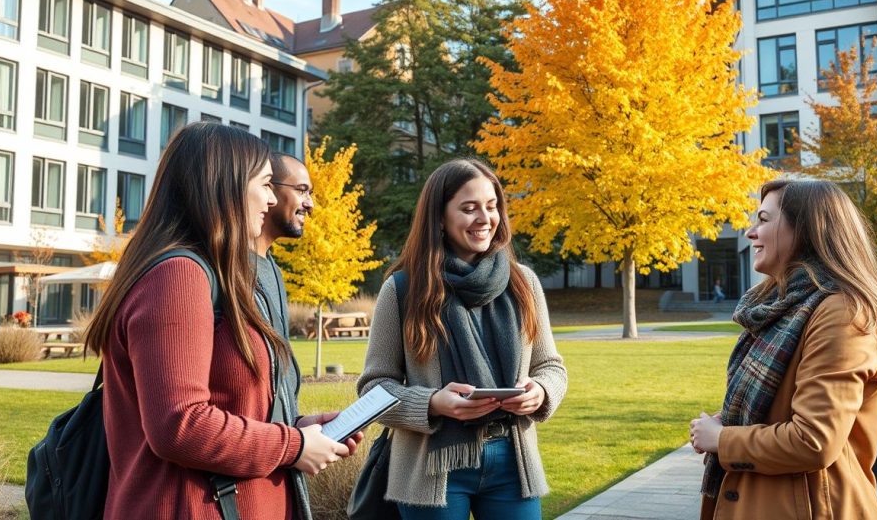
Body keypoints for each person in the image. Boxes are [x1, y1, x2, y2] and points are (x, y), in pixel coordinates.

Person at [83, 123, 358, 519]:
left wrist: (299, 427)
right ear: (223, 186)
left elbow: (227, 402)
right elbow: (180, 424)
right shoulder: (178, 276)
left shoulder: (208, 273)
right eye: (265, 184)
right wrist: (293, 446)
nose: (269, 200)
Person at [357, 158, 568, 520]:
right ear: (439, 217)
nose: (484, 218)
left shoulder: (524, 283)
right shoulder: (403, 289)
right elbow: (373, 389)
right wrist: (433, 403)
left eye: (491, 206)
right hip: (432, 466)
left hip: (512, 460)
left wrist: (541, 391)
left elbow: (550, 366)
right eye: (469, 208)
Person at [689, 179, 877, 520]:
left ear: (805, 231)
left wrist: (724, 439)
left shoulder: (841, 313)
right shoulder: (784, 307)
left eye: (763, 219)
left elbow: (814, 440)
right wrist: (734, 420)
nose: (750, 232)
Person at [255, 151, 349, 519]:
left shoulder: (272, 272)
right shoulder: (213, 276)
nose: (310, 203)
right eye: (302, 190)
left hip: (274, 484)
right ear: (270, 191)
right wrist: (292, 443)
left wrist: (299, 425)